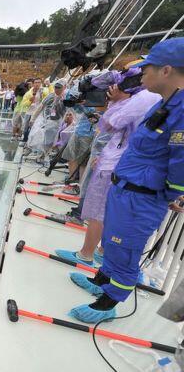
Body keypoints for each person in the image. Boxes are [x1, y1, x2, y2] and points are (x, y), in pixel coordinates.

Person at [68, 37, 184, 323]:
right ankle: (101, 281)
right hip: (127, 188)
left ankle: (109, 302)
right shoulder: (165, 104)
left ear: (166, 70)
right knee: (112, 240)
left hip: (142, 195)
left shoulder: (181, 112)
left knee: (124, 248)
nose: (142, 74)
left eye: (148, 68)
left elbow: (180, 161)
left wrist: (172, 194)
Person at [56, 69, 161, 267]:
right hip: (129, 163)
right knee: (111, 212)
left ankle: (86, 254)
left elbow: (109, 124)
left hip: (117, 163)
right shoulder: (162, 99)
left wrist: (117, 100)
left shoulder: (144, 97)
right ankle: (101, 253)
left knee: (99, 210)